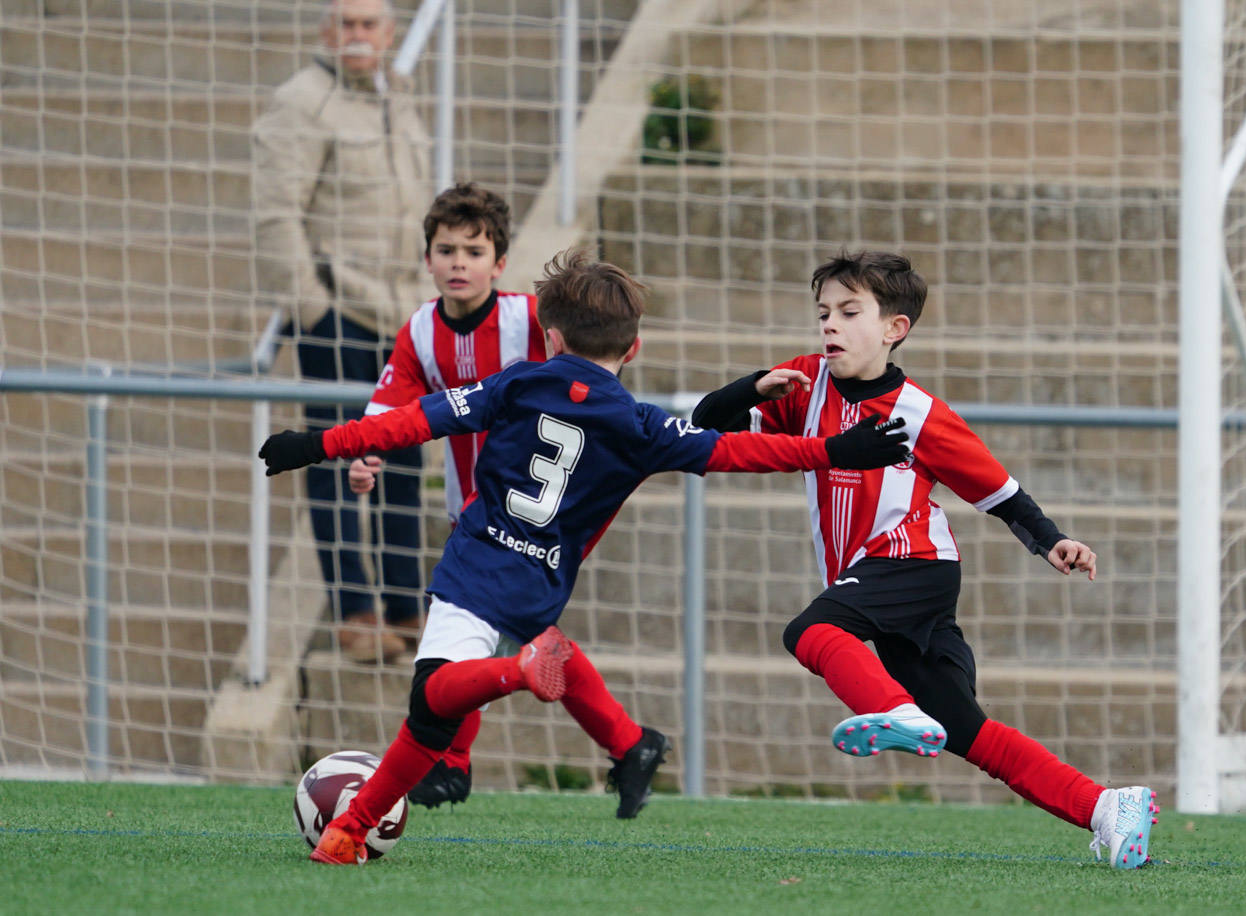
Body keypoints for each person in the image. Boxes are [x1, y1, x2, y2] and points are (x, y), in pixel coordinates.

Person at [258, 250, 913, 865]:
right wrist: (833, 451)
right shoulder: (642, 425)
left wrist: (320, 443)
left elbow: (416, 420)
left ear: (552, 338)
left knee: (433, 698)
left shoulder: (516, 384)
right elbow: (738, 451)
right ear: (633, 348)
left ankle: (516, 674)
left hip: (478, 563)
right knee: (433, 720)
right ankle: (349, 831)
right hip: (543, 580)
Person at [689, 251, 1159, 869]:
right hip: (882, 578)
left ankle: (892, 711)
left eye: (849, 311)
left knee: (810, 631)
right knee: (966, 729)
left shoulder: (920, 414)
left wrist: (1054, 541)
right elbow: (704, 424)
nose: (830, 324)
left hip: (915, 565)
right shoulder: (805, 383)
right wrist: (752, 387)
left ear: (894, 329)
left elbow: (1003, 494)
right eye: (823, 311)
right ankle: (1106, 807)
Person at [349, 182, 641, 813]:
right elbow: (391, 398)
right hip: (476, 511)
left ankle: (451, 764)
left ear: (499, 263)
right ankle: (629, 743)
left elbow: (587, 372)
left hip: (531, 514)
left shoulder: (528, 324)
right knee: (523, 639)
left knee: (461, 641)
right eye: (446, 249)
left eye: (474, 251)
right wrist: (367, 450)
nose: (459, 262)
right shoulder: (419, 331)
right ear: (426, 258)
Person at [252, 0, 432, 662]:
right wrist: (312, 311)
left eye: (370, 24)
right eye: (346, 23)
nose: (358, 35)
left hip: (403, 315)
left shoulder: (398, 99)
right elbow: (276, 216)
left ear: (389, 35)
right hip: (340, 315)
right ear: (327, 32)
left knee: (407, 462)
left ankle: (407, 609)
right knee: (333, 464)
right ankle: (355, 613)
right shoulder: (301, 102)